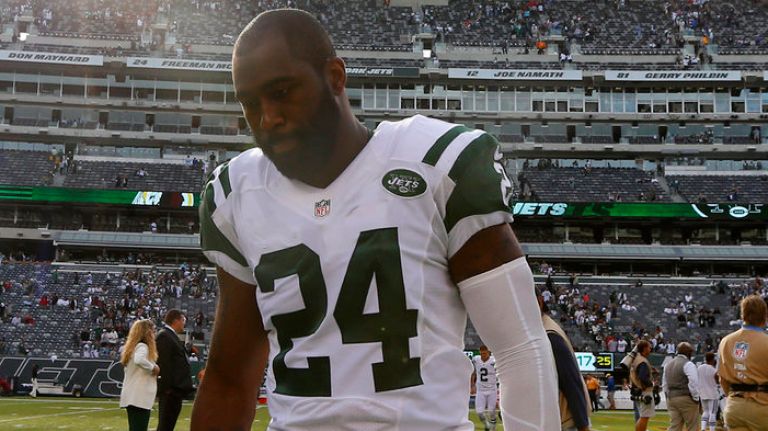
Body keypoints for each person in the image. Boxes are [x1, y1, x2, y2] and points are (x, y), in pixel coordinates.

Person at [191, 9, 559, 431]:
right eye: (250, 103)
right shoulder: (237, 194)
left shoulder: (435, 163)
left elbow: (519, 348)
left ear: (335, 77)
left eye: (282, 92)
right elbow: (229, 379)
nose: (267, 118)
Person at [537, 288, 591, 431]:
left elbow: (571, 381)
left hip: (562, 420)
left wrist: (582, 425)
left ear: (539, 302)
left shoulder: (549, 335)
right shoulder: (543, 329)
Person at [717, 295, 768, 430]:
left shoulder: (726, 341)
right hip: (762, 406)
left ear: (742, 315)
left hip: (734, 406)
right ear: (764, 316)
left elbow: (722, 379)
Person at [119, 319, 160, 431]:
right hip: (139, 397)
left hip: (132, 396)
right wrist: (153, 367)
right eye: (153, 331)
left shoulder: (133, 348)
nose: (154, 334)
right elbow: (139, 360)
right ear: (147, 332)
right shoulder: (142, 347)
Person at [156, 310, 193, 431]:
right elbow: (164, 364)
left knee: (168, 425)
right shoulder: (164, 336)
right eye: (183, 320)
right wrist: (167, 389)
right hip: (170, 391)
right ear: (176, 320)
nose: (184, 323)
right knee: (165, 426)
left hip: (175, 391)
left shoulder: (171, 336)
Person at [662, 342, 700, 431]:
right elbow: (693, 382)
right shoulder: (688, 364)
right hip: (686, 398)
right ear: (688, 353)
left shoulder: (667, 365)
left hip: (671, 398)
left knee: (674, 426)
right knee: (692, 426)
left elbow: (664, 384)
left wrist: (668, 396)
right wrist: (696, 398)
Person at [629, 340, 655, 431]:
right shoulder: (642, 361)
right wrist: (651, 384)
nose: (650, 349)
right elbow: (642, 377)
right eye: (649, 347)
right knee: (644, 417)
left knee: (641, 416)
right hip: (644, 391)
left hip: (637, 391)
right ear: (644, 348)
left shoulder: (636, 359)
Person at [471, 345, 498, 431]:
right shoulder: (476, 359)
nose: (483, 355)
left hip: (492, 389)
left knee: (491, 411)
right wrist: (472, 385)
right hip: (480, 390)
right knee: (479, 412)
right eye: (482, 353)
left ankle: (493, 425)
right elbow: (473, 373)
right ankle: (487, 425)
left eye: (485, 353)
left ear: (488, 352)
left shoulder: (494, 361)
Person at [697, 352, 719, 431]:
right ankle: (712, 429)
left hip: (702, 393)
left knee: (705, 411)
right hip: (712, 394)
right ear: (713, 359)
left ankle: (703, 428)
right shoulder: (714, 370)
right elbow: (718, 381)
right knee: (712, 412)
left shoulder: (700, 367)